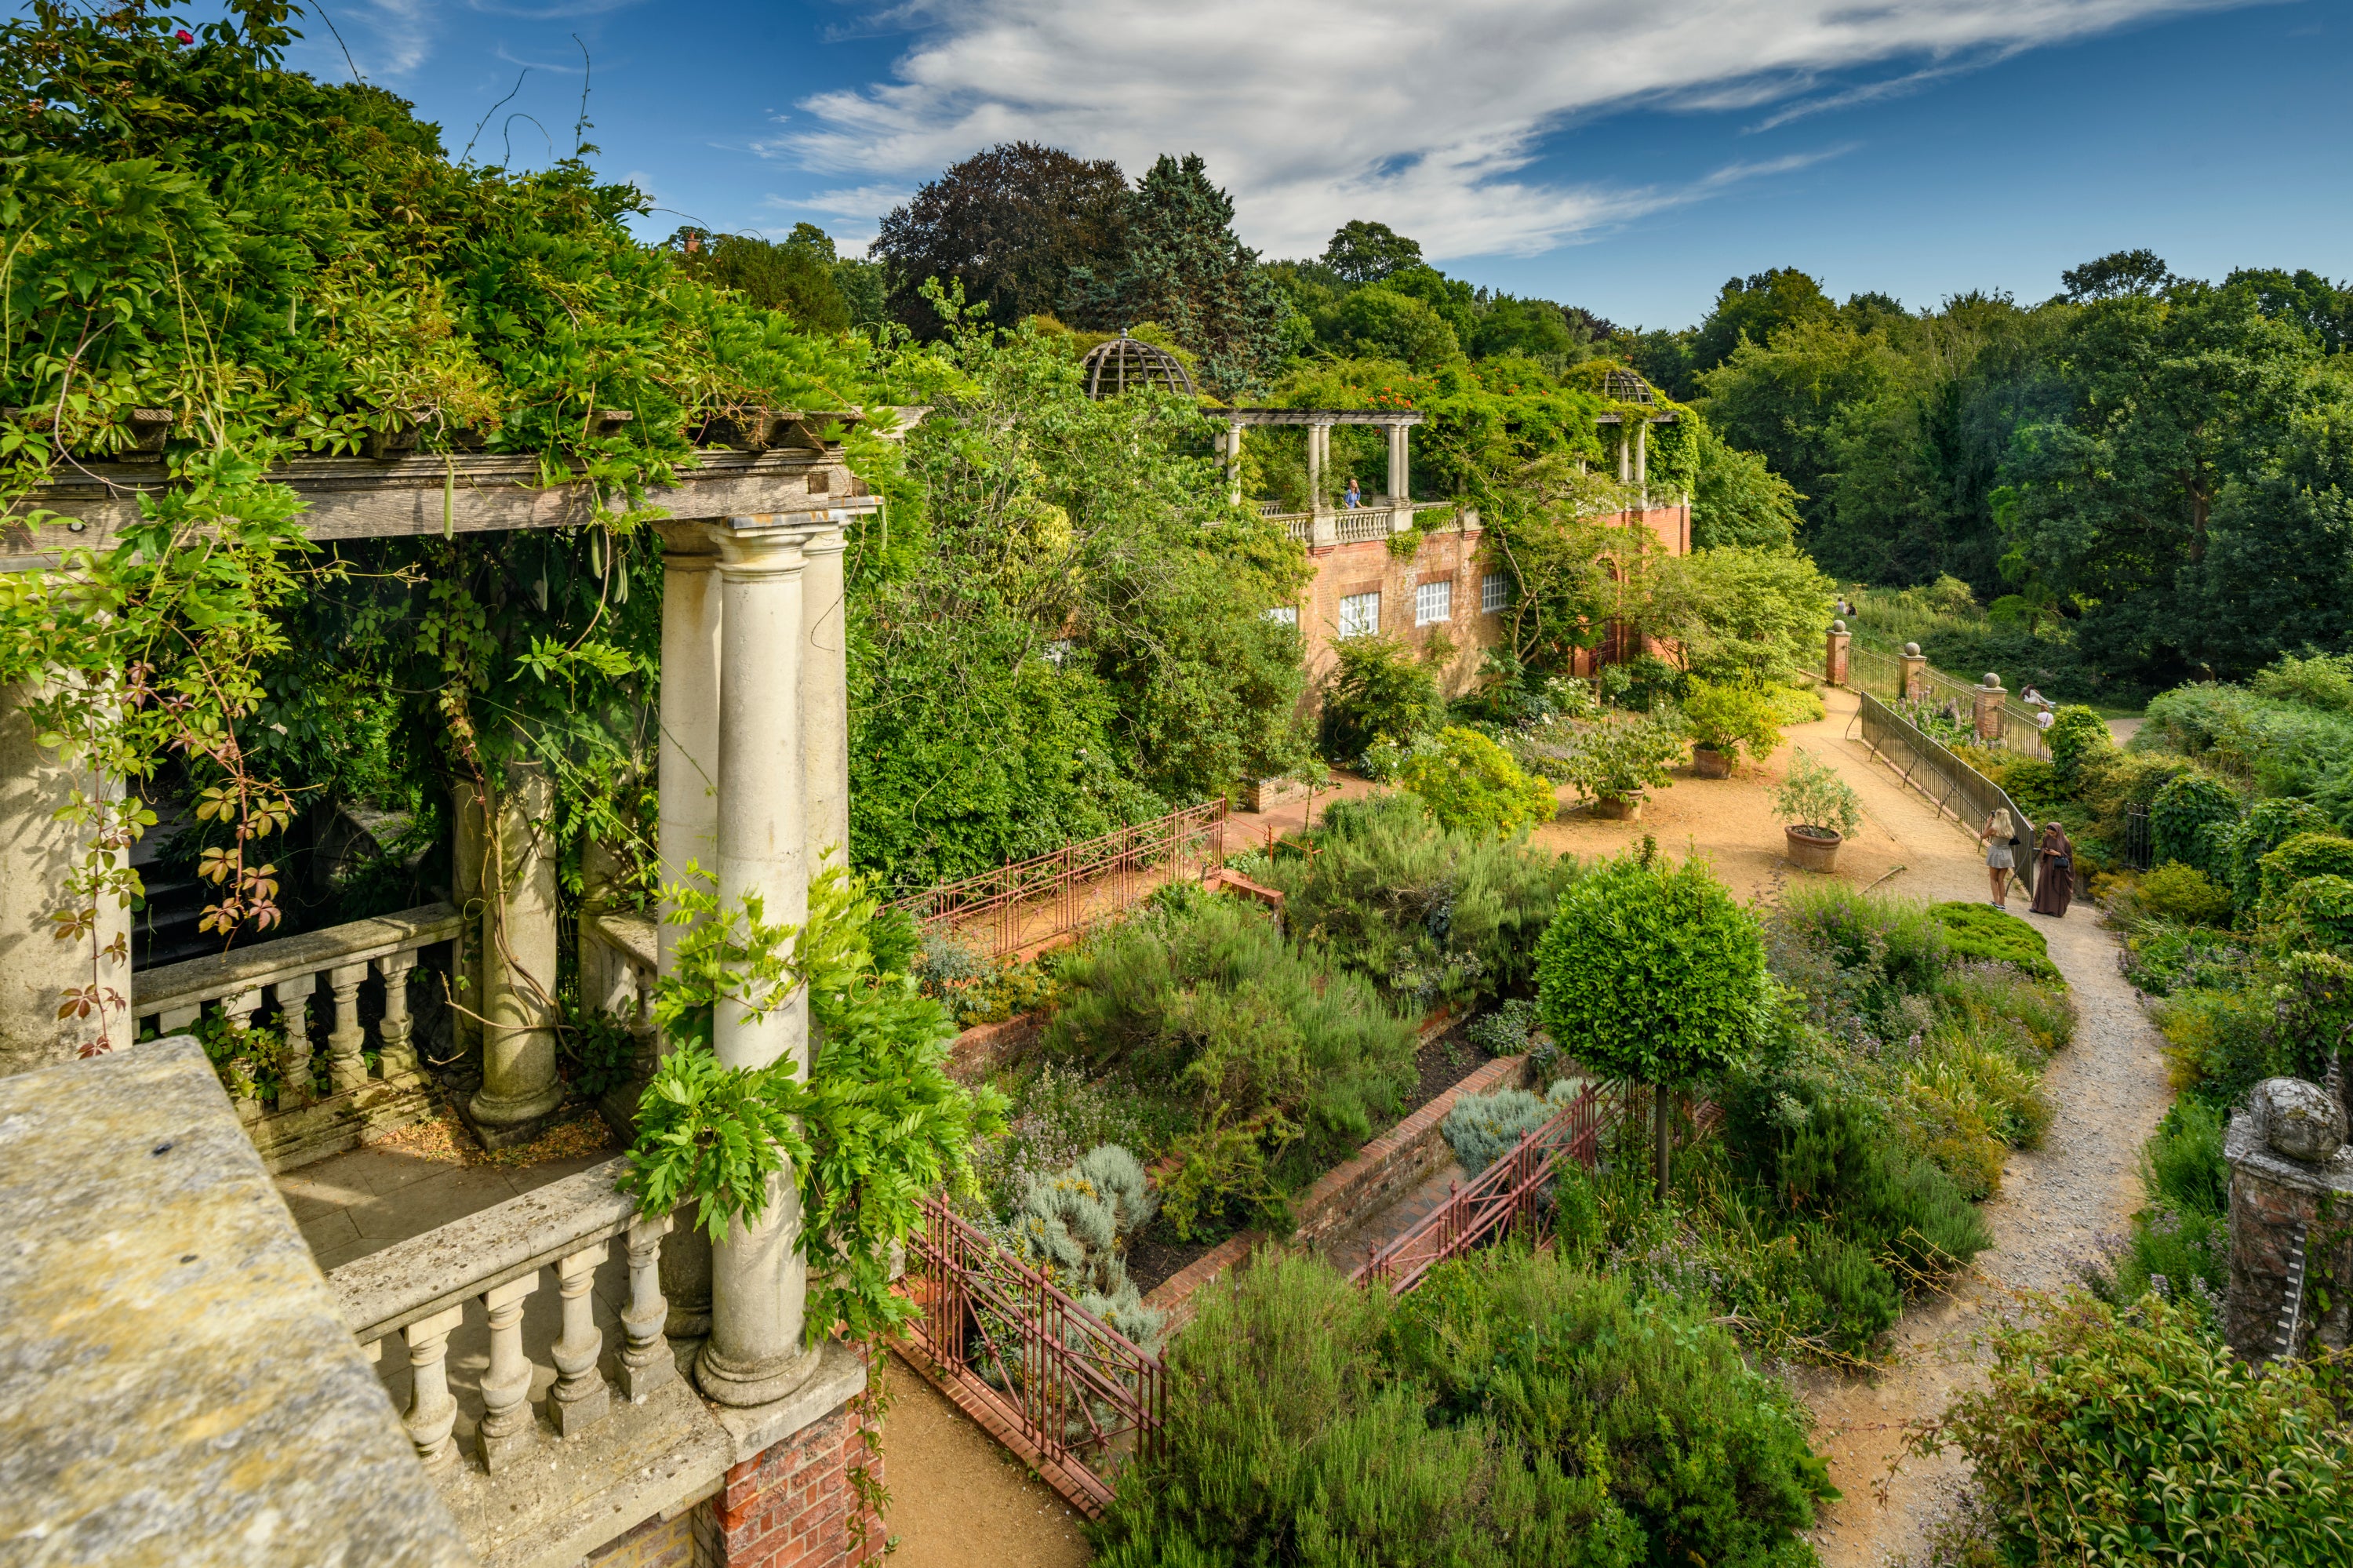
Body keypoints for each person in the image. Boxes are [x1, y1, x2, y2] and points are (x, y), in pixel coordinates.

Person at [2031, 820, 2075, 917]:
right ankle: (2039, 907)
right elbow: (2043, 848)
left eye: (2053, 833)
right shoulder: (2047, 838)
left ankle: (2054, 910)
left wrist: (2058, 854)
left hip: (2059, 869)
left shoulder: (2065, 841)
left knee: (2056, 888)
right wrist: (2045, 852)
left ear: (2058, 831)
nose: (2051, 835)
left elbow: (2069, 857)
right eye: (2049, 833)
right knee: (2043, 884)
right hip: (2048, 865)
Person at [1979, 807, 2018, 908]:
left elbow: (1983, 836)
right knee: (2001, 880)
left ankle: (1996, 902)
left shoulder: (1994, 829)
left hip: (1996, 853)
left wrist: (1988, 823)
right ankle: (2002, 903)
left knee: (1993, 879)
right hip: (2006, 854)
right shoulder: (2010, 829)